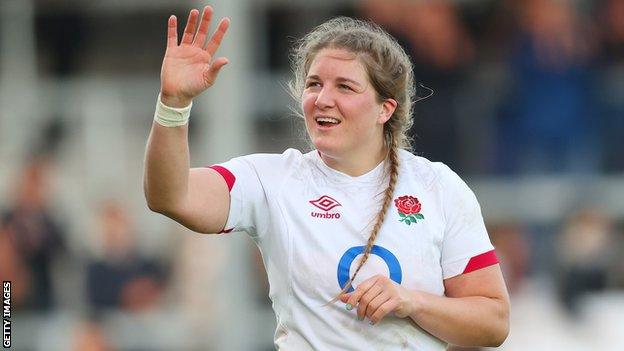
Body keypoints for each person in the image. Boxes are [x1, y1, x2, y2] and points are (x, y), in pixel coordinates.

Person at [144, 6, 509, 350]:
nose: (322, 99)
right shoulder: (272, 179)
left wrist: (410, 301)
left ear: (385, 108)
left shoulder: (437, 187)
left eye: (345, 87)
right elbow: (172, 197)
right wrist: (173, 105)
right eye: (314, 84)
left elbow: (493, 321)